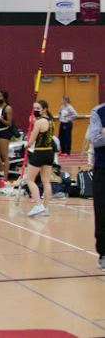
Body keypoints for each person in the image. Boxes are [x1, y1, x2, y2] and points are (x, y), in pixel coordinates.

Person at [25, 100, 56, 217]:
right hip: (49, 152)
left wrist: (26, 145)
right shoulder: (51, 121)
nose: (36, 110)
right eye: (34, 108)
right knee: (46, 181)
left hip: (40, 153)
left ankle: (38, 205)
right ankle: (45, 207)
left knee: (30, 180)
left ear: (44, 109)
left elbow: (31, 140)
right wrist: (34, 122)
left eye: (38, 108)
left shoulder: (39, 122)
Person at [87, 102, 105, 271]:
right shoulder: (98, 112)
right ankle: (103, 254)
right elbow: (96, 139)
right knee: (102, 212)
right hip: (102, 170)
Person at [0, 90, 14, 181]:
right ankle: (1, 172)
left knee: (4, 155)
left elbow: (9, 123)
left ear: (4, 97)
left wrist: (1, 119)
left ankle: (5, 177)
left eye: (0, 96)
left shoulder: (8, 108)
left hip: (4, 132)